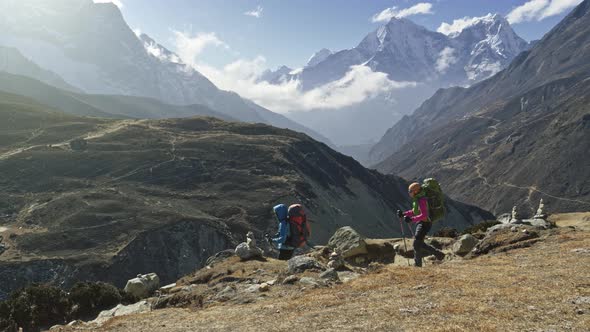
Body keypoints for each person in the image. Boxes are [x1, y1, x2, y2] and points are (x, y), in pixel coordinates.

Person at [398, 182, 445, 267]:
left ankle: (418, 265)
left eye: (410, 191)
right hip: (422, 223)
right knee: (419, 243)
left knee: (416, 244)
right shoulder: (417, 199)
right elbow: (415, 211)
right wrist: (404, 214)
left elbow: (424, 215)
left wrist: (411, 219)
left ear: (415, 191)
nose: (409, 193)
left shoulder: (422, 200)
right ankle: (439, 254)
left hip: (425, 224)